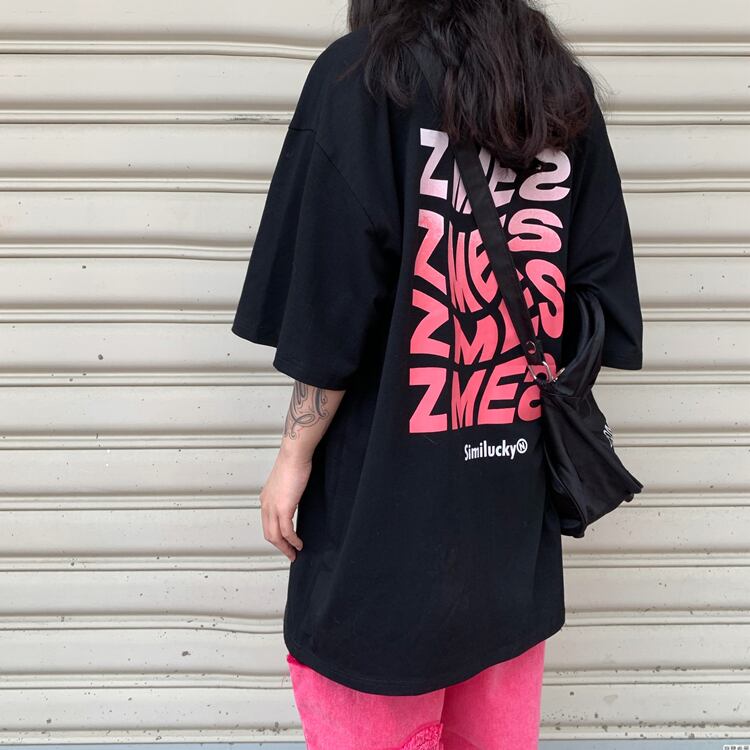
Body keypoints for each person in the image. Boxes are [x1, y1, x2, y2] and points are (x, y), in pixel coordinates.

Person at [231, 0, 643, 747]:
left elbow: (330, 305)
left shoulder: (362, 78)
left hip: (381, 518)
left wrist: (292, 456)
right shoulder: (556, 88)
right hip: (510, 509)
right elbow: (597, 298)